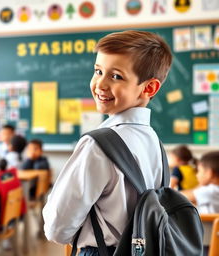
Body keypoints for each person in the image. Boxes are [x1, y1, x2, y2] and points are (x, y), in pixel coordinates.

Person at [42, 30, 172, 255]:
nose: (100, 84)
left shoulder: (97, 145)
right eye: (98, 71)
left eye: (116, 76)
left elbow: (57, 228)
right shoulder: (154, 141)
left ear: (149, 88)